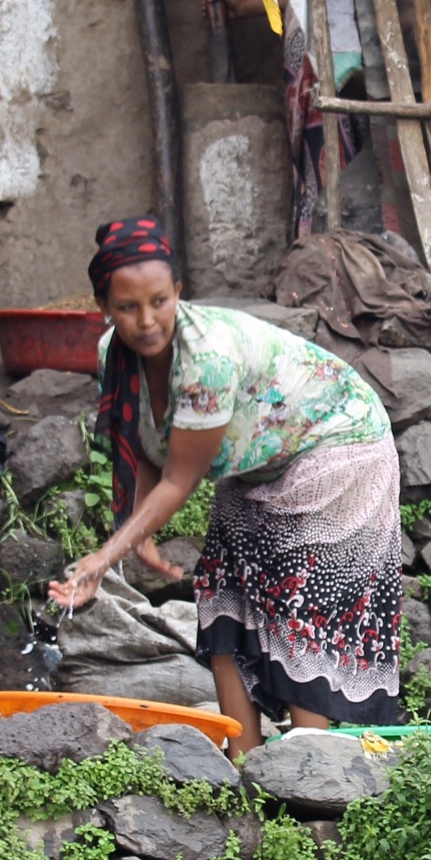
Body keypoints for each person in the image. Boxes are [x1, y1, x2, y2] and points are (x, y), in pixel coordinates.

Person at [48, 216, 402, 751]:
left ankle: (311, 773)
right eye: (127, 308)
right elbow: (147, 438)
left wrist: (103, 559)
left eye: (159, 302)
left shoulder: (206, 360)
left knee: (297, 601)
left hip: (338, 444)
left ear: (178, 294)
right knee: (222, 589)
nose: (146, 321)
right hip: (261, 458)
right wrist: (134, 529)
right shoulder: (111, 353)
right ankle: (243, 760)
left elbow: (179, 478)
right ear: (103, 306)